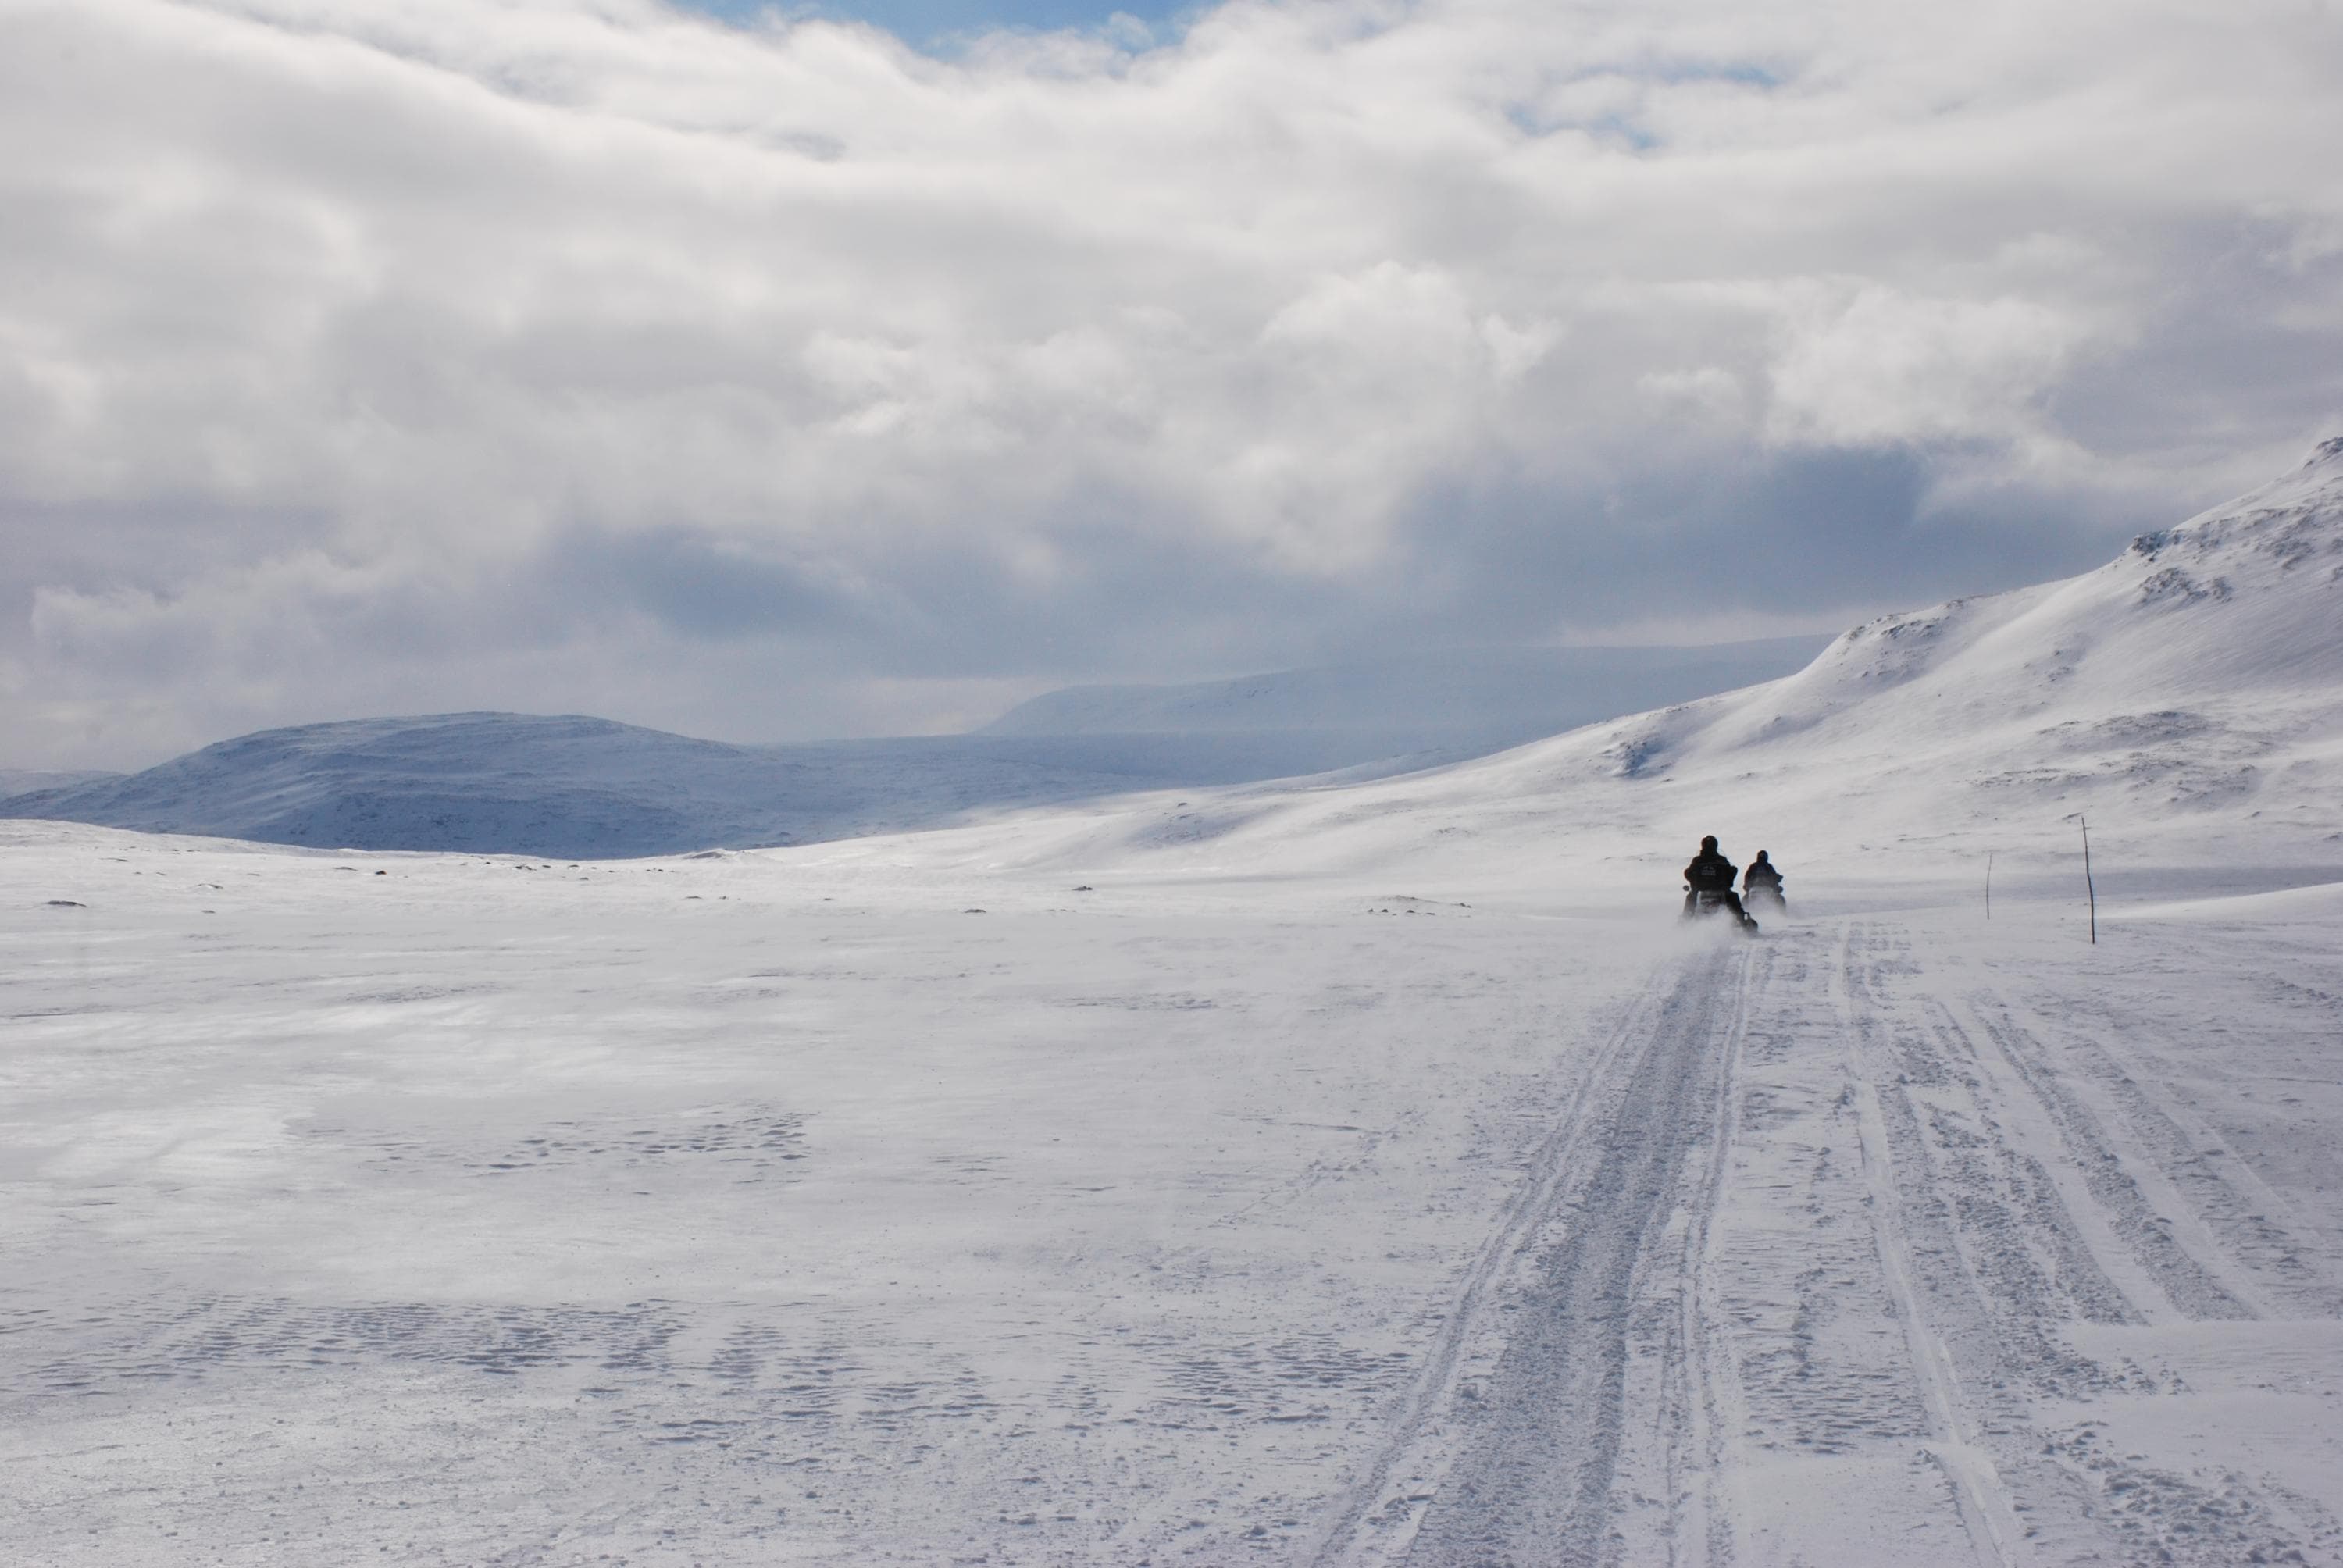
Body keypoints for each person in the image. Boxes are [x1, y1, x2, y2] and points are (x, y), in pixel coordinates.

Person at [1682, 834, 1756, 925]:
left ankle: (1684, 922)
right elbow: (1730, 873)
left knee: (1691, 898)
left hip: (1703, 890)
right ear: (1715, 845)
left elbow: (1689, 873)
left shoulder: (1698, 860)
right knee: (1733, 898)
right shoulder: (1721, 860)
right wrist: (1732, 873)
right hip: (1719, 890)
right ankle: (1742, 921)